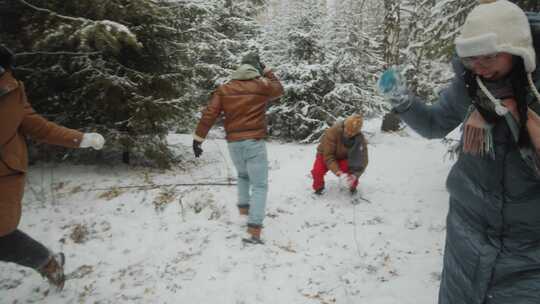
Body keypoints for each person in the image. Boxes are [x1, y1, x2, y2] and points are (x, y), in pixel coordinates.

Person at [378, 0, 540, 303]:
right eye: (470, 58)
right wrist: (401, 99)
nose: (479, 66)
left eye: (489, 55)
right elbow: (433, 124)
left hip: (528, 256)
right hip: (465, 240)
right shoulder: (469, 87)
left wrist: (517, 115)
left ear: (518, 49)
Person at [0, 45, 105, 290]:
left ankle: (48, 263)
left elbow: (39, 127)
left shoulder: (12, 91)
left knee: (1, 236)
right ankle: (48, 261)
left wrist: (80, 138)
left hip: (3, 175)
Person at [192, 52, 284, 244]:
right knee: (259, 185)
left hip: (234, 144)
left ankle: (244, 211)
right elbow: (279, 89)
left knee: (243, 175)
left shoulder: (225, 89)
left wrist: (198, 138)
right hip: (254, 143)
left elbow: (210, 113)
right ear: (255, 69)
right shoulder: (262, 85)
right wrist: (267, 71)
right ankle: (254, 230)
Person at [310, 114, 368, 195]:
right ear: (344, 126)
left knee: (352, 168)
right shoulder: (332, 132)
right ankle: (319, 187)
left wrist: (354, 175)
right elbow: (328, 156)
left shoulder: (360, 139)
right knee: (317, 171)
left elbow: (362, 160)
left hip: (343, 157)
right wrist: (338, 172)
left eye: (353, 133)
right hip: (325, 155)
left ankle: (352, 187)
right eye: (347, 130)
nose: (349, 134)